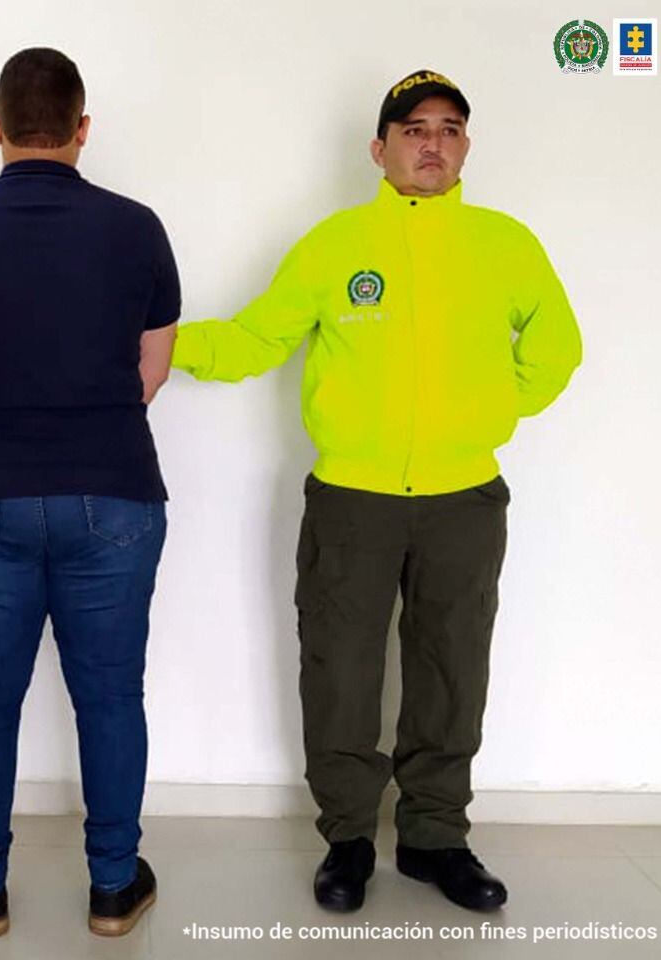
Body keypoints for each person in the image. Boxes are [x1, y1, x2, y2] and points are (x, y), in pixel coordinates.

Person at [172, 69, 581, 913]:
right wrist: (160, 343)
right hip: (351, 500)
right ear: (380, 147)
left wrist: (482, 413)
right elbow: (257, 338)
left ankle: (436, 839)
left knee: (451, 667)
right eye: (414, 129)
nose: (432, 143)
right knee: (341, 673)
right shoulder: (334, 244)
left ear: (465, 145)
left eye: (449, 128)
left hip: (464, 498)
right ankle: (349, 841)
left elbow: (557, 351)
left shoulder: (506, 244)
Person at [0, 48, 179, 938]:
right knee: (110, 694)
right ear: (82, 128)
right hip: (115, 494)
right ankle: (110, 887)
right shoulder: (138, 228)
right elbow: (152, 367)